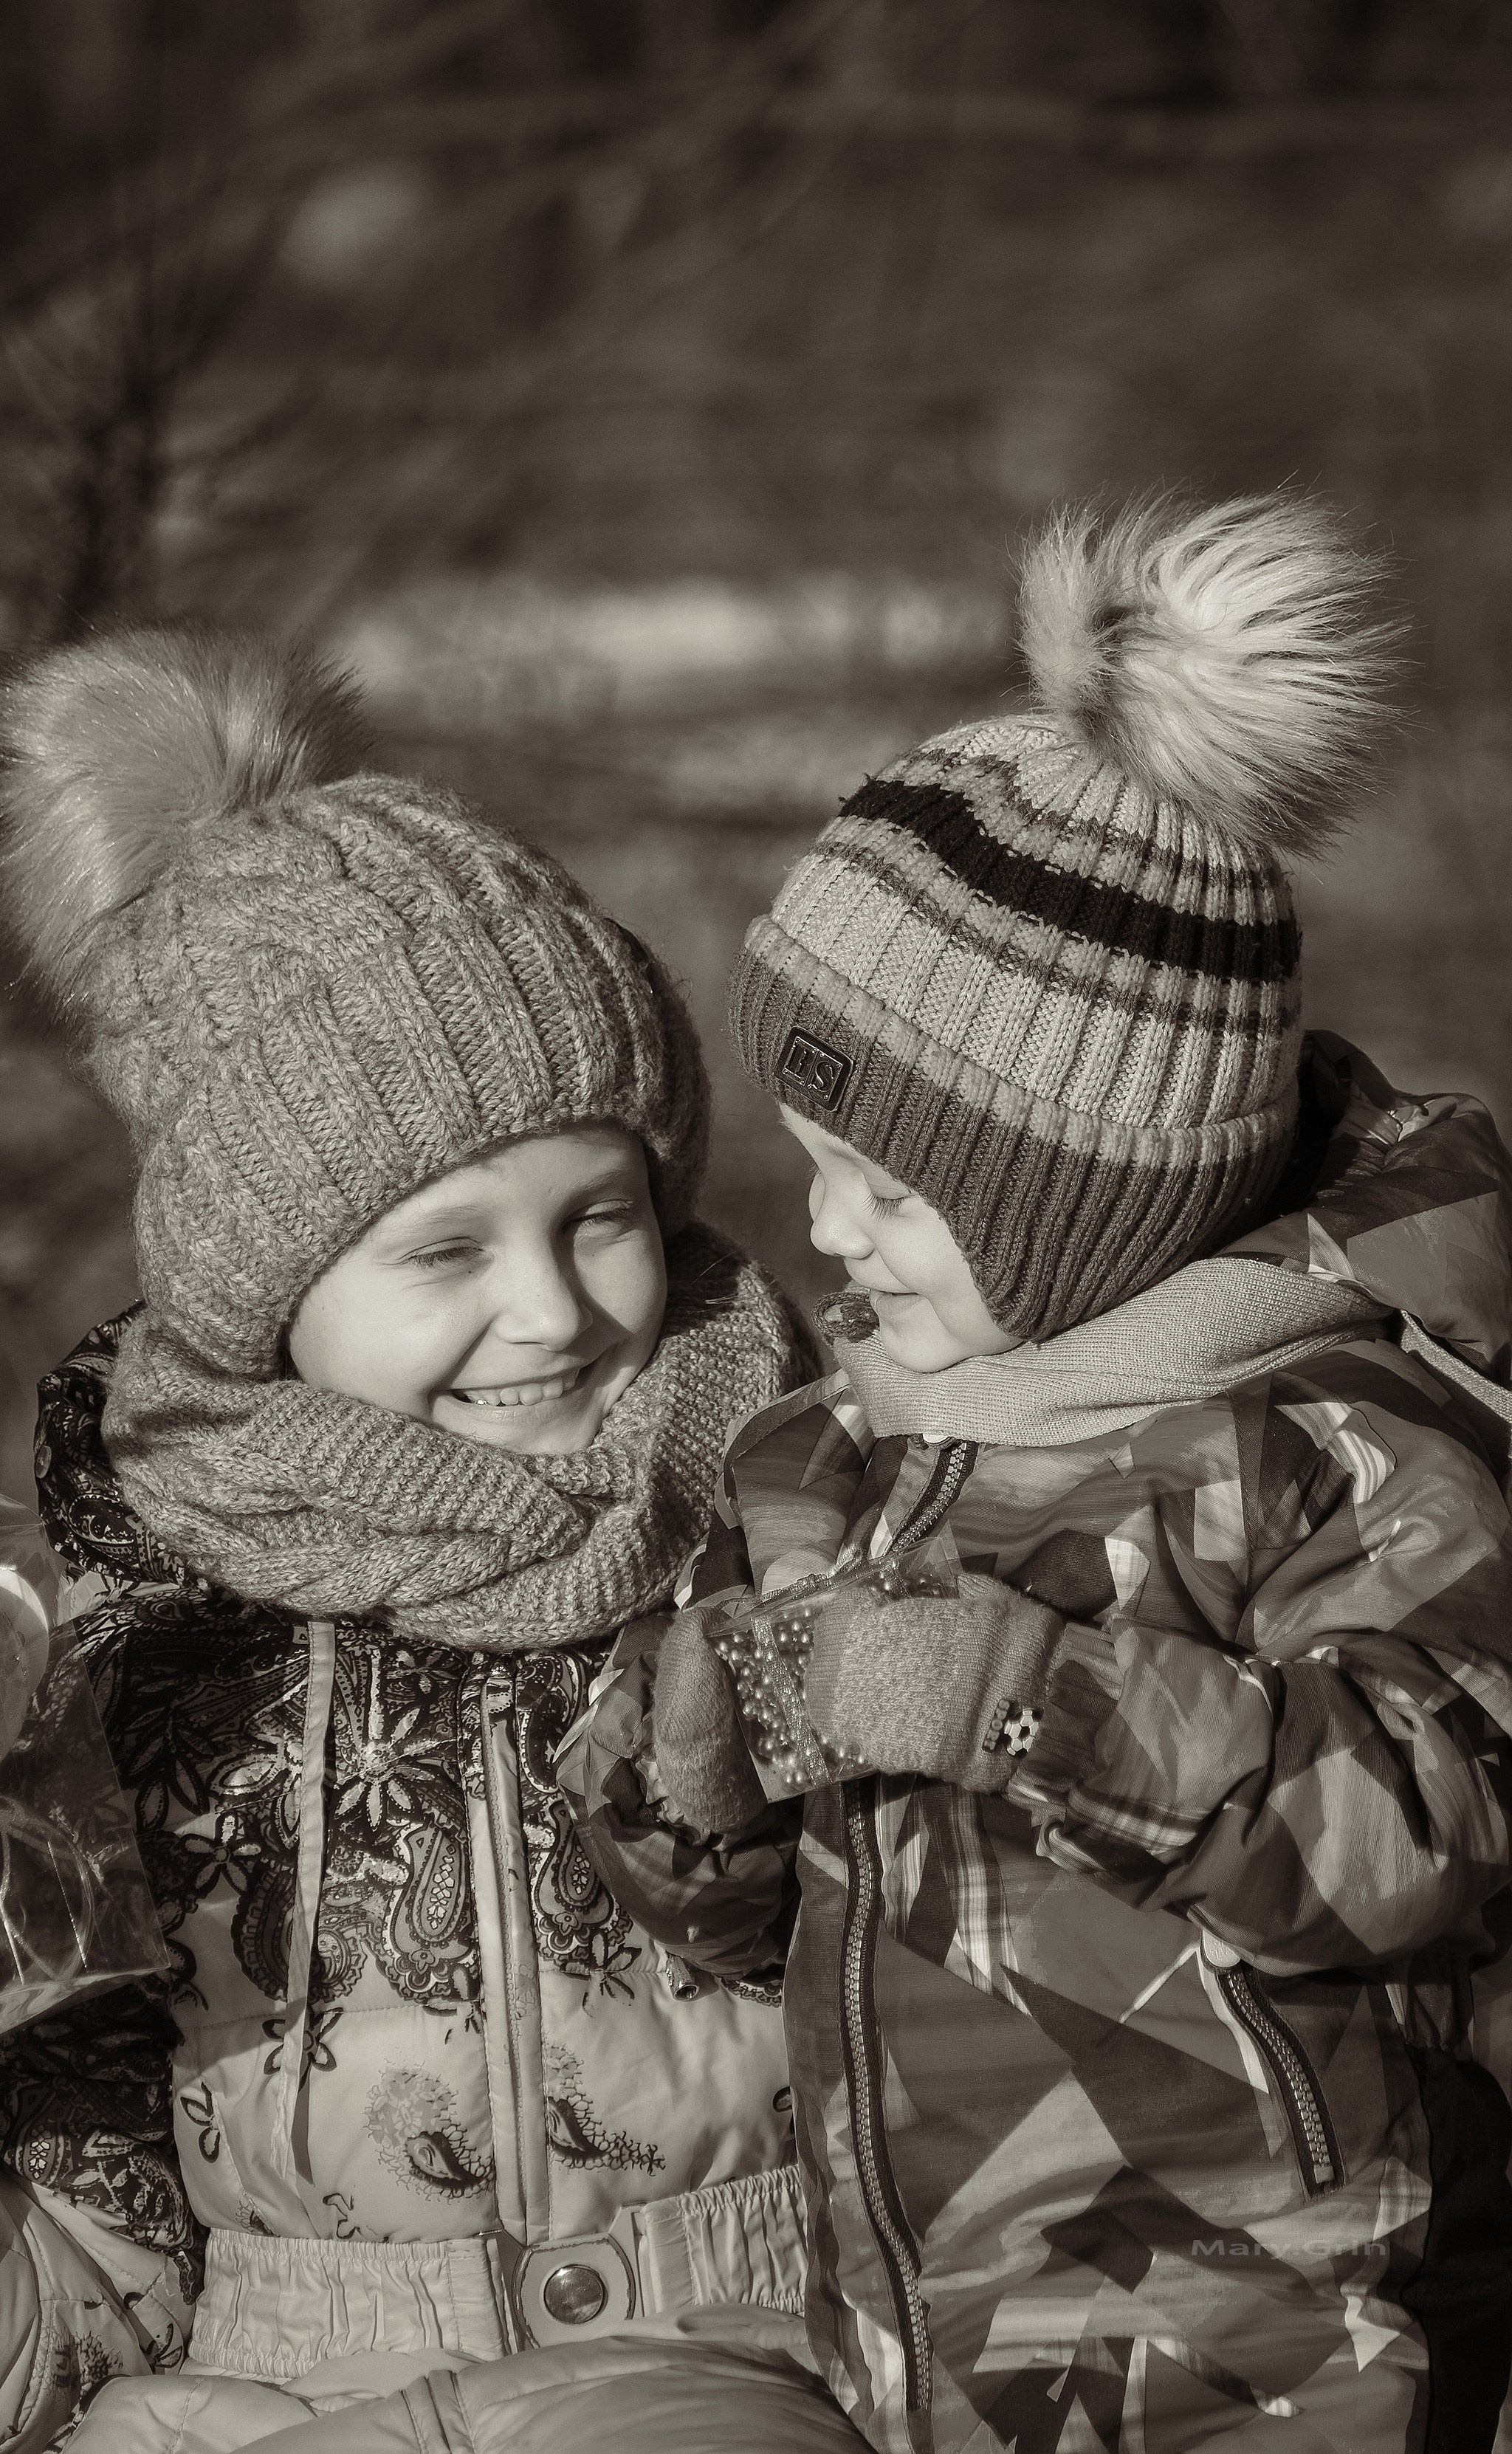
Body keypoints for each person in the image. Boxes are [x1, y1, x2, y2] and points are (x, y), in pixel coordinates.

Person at [548, 496, 1512, 2454]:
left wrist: (1039, 1701)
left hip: (1277, 2351)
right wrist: (686, 1800)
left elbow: (1439, 1822)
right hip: (928, 2354)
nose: (830, 1232)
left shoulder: (1327, 1436)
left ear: (1098, 1203)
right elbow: (759, 1938)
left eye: (895, 1188)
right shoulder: (826, 1458)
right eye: (819, 1163)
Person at [0, 628, 825, 2453]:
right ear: (259, 1288)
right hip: (297, 2383)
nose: (550, 1313)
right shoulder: (128, 1628)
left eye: (597, 1214)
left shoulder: (794, 1505)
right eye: (443, 1250)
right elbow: (95, 2147)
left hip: (772, 2347)